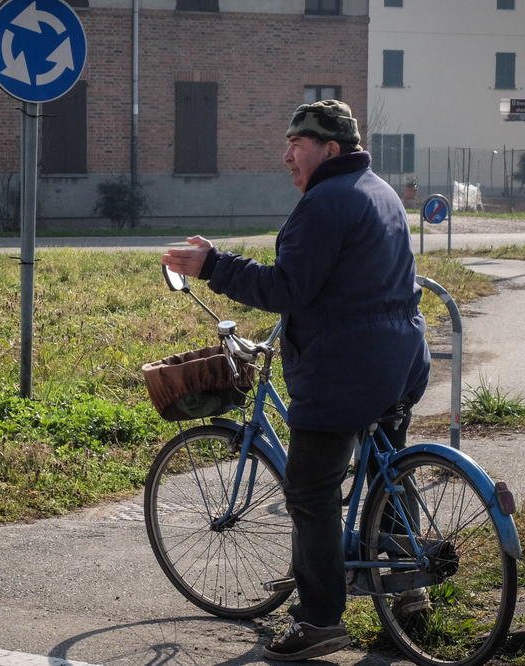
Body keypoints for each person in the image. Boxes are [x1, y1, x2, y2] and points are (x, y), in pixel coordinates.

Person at [161, 100, 431, 662]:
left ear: (330, 150)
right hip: (400, 360)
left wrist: (212, 266)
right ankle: (407, 589)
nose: (287, 155)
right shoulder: (377, 190)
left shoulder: (325, 201)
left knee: (311, 494)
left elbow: (285, 288)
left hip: (344, 372)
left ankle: (318, 622)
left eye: (298, 144)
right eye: (287, 143)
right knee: (386, 473)